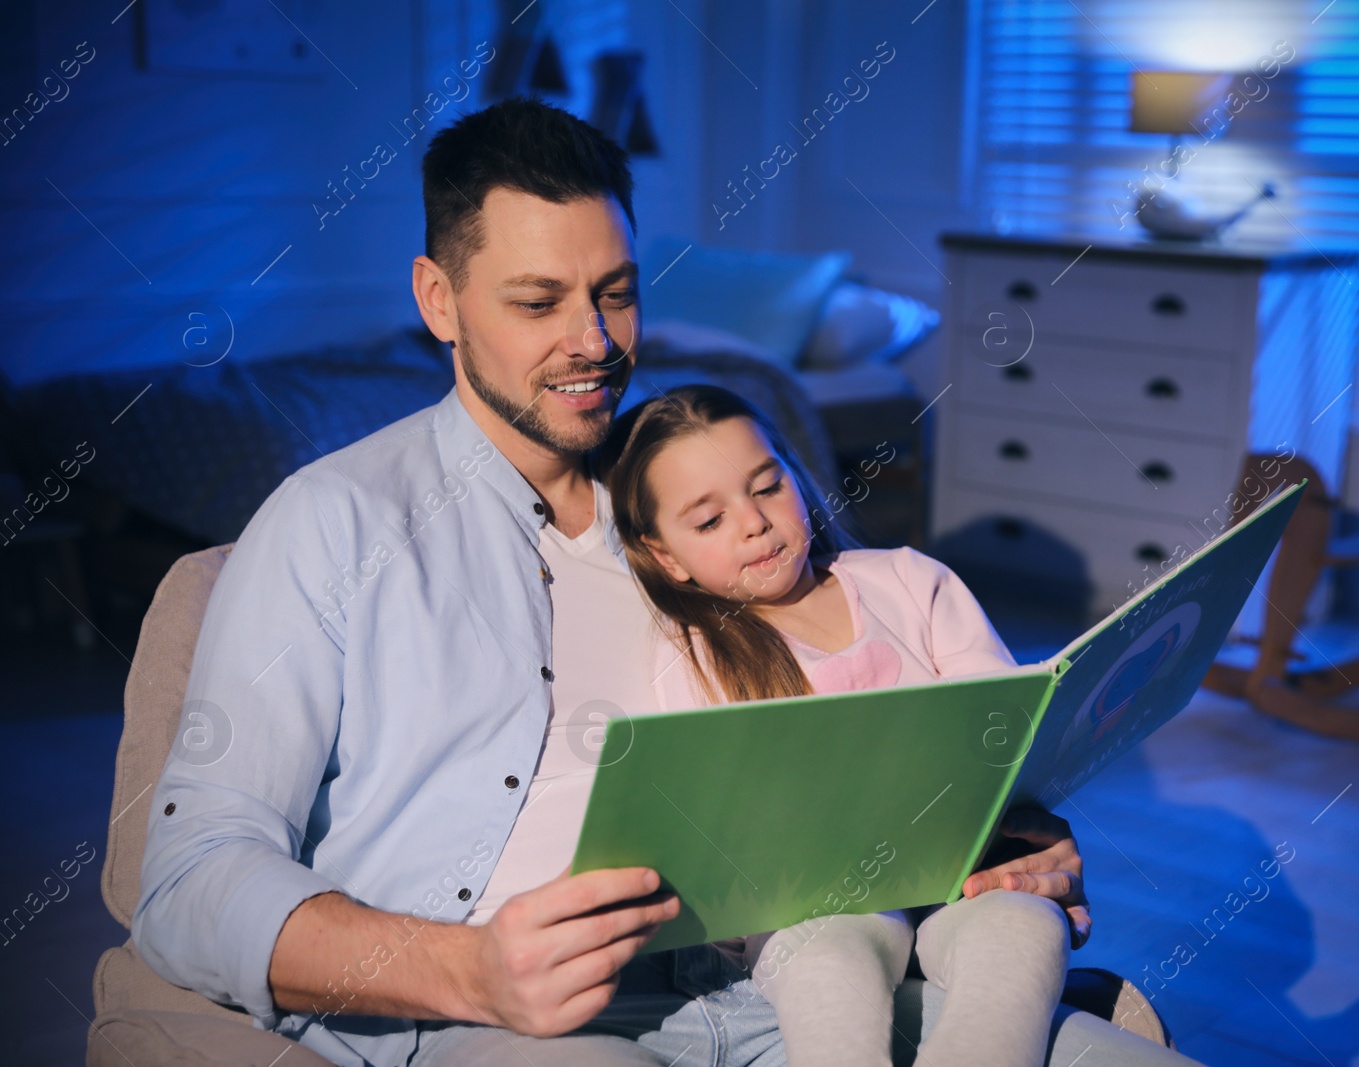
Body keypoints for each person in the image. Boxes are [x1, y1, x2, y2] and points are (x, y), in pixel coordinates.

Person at [131, 96, 1114, 1067]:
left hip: (793, 972)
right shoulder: (333, 520)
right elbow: (186, 882)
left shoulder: (695, 489)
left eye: (615, 290)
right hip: (502, 1022)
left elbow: (873, 675)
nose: (595, 342)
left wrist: (1003, 825)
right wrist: (470, 971)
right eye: (536, 301)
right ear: (439, 300)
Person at [604, 384, 1072, 1067]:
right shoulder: (692, 656)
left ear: (796, 474)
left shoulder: (909, 582)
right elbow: (709, 827)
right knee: (825, 958)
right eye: (708, 521)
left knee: (1029, 925)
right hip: (809, 905)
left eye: (767, 486)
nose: (754, 523)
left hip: (954, 874)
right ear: (667, 555)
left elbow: (1001, 728)